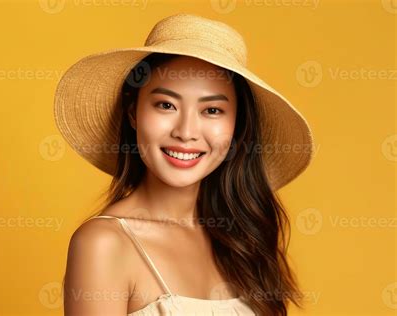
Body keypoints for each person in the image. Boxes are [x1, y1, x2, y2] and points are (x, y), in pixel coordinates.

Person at [55, 13, 315, 316]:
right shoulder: (104, 245)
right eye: (166, 105)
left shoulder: (242, 239)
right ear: (133, 113)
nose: (186, 132)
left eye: (212, 110)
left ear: (237, 126)